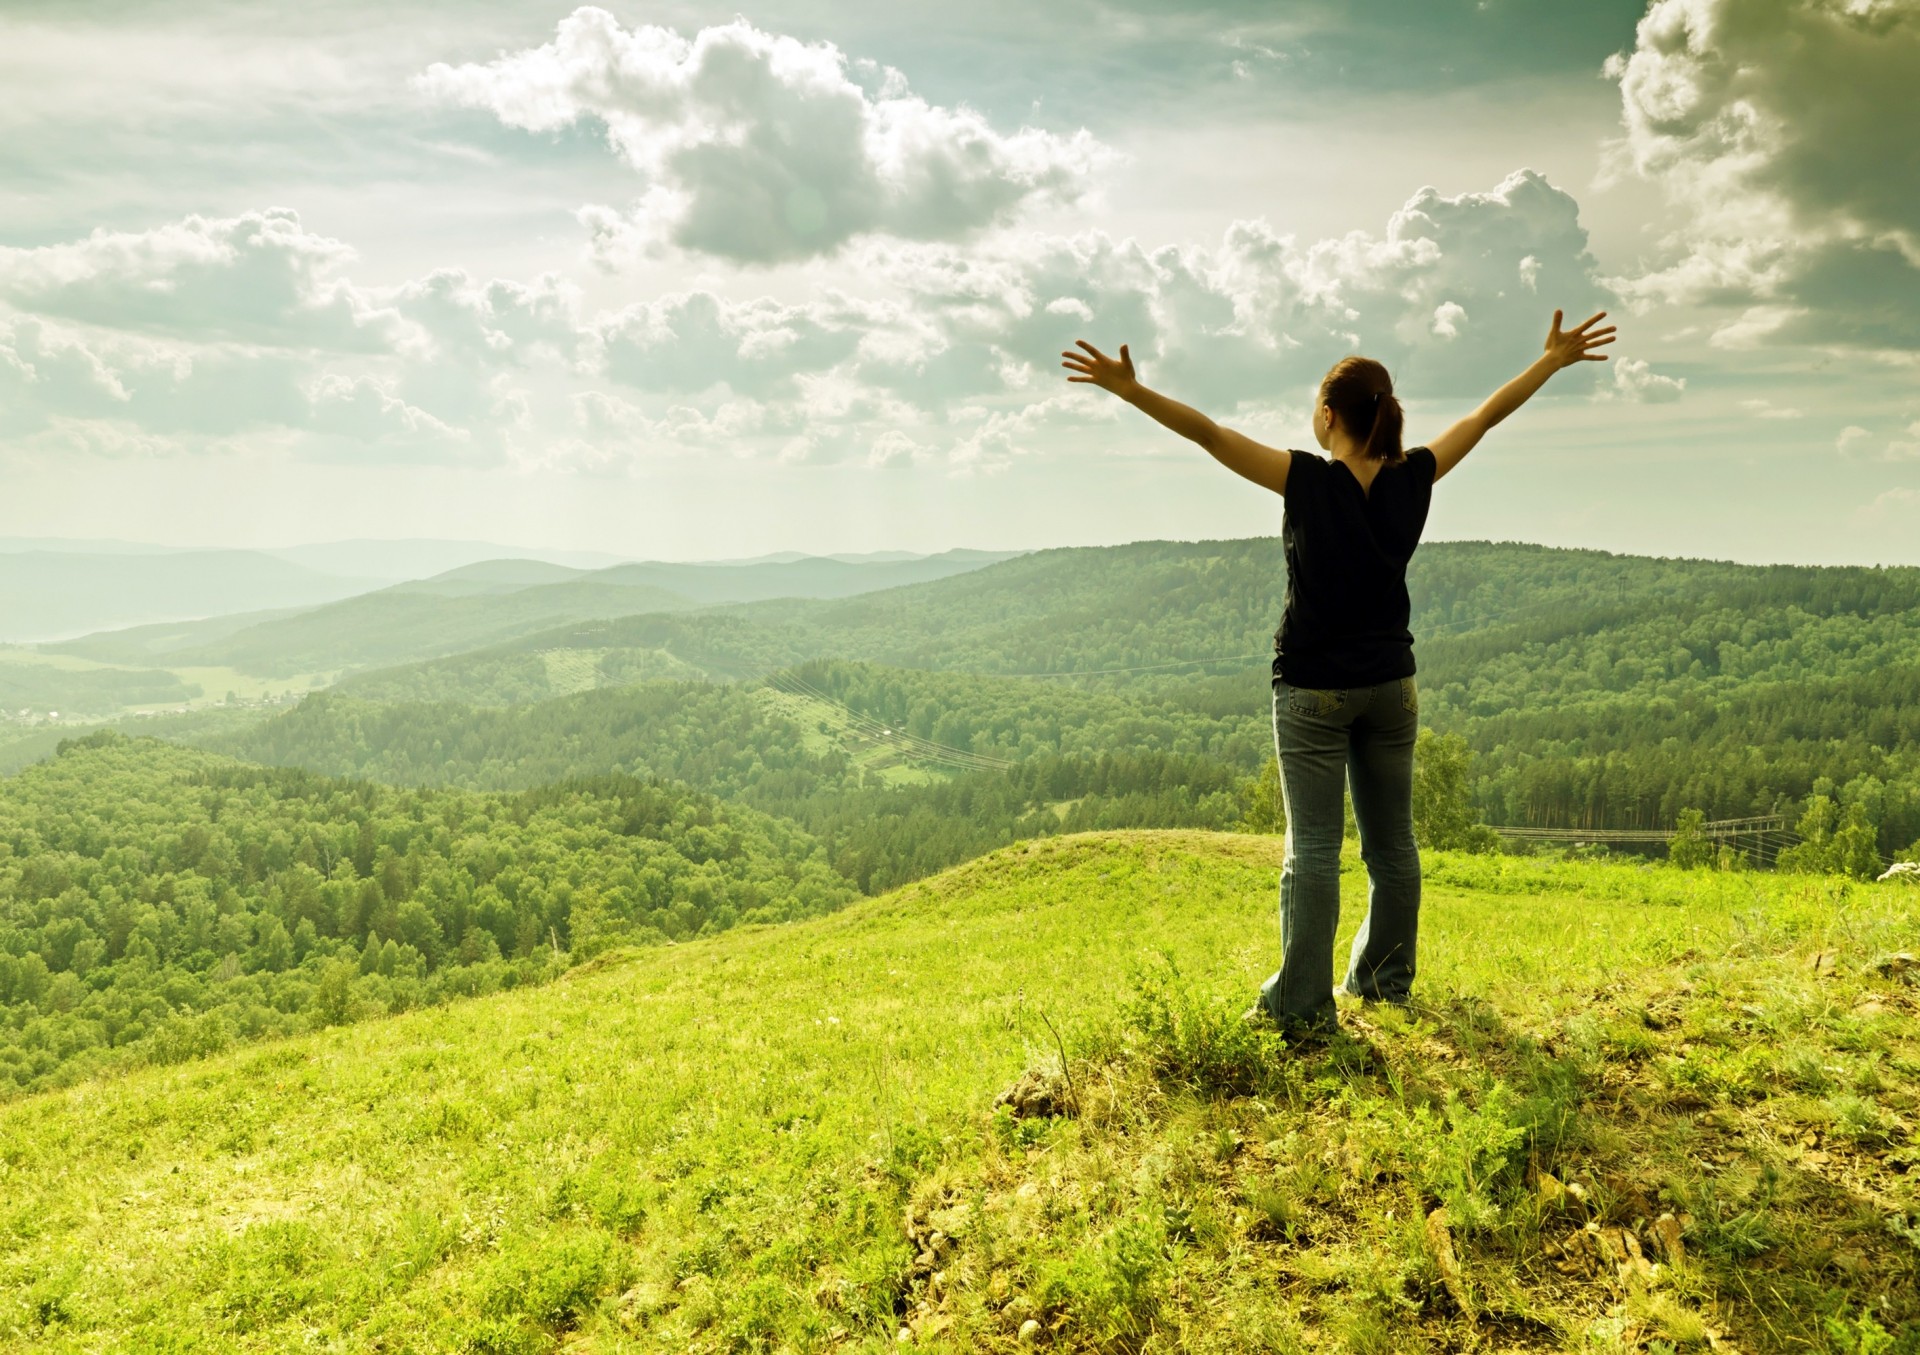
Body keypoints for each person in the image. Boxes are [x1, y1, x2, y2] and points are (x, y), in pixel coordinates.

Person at [1061, 310, 1616, 1037]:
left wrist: (1131, 391)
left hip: (1313, 689)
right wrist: (1549, 362)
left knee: (1313, 851)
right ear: (1385, 416)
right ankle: (1385, 985)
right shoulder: (1414, 475)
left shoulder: (1305, 479)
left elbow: (1209, 435)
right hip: (1393, 686)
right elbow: (1484, 417)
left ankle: (1302, 1007)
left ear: (1329, 416)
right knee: (1394, 845)